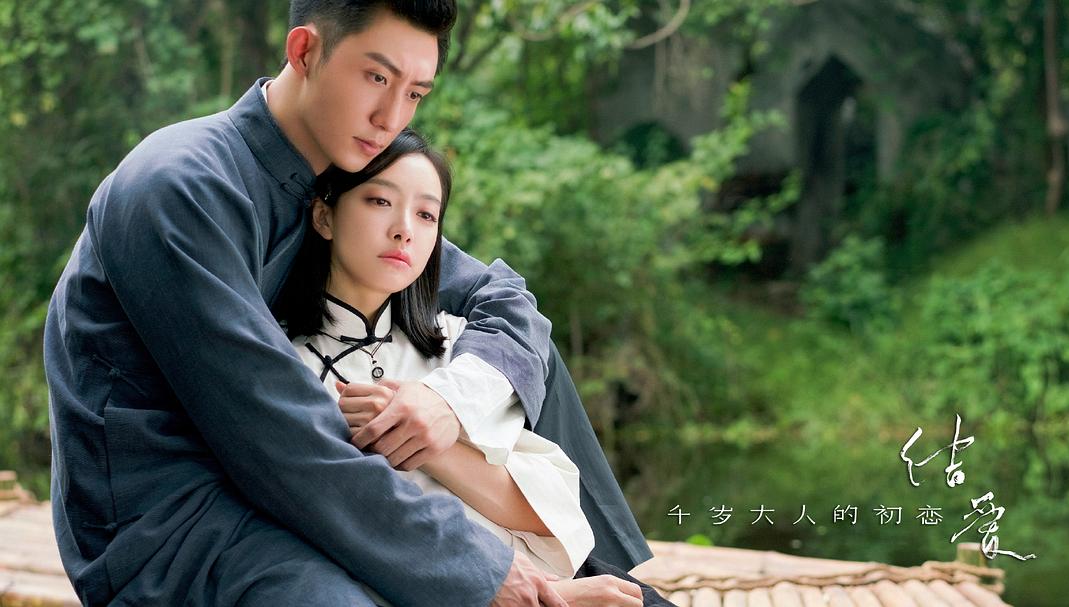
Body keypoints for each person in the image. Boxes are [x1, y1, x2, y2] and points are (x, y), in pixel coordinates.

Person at [44, 1, 648, 605]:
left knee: (525, 361)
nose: (391, 117)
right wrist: (486, 575)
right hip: (181, 522)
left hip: (286, 486)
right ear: (304, 51)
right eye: (377, 77)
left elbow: (505, 301)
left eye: (415, 93)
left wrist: (445, 402)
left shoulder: (336, 182)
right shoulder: (182, 186)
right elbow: (279, 440)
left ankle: (610, 577)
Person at [280, 128, 671, 606]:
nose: (404, 229)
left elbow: (551, 511)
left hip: (557, 578)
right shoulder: (284, 367)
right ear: (324, 215)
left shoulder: (461, 345)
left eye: (426, 214)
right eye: (379, 201)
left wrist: (432, 440)